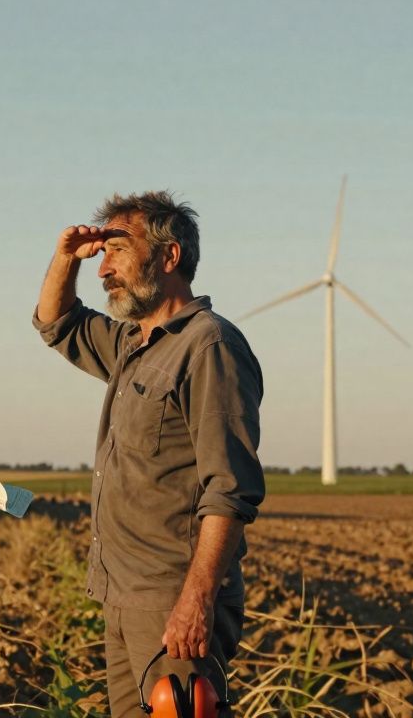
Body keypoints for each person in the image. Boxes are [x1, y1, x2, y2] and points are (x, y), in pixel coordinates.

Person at [32, 191, 264, 717]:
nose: (103, 268)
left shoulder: (210, 347)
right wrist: (67, 256)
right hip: (123, 596)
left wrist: (196, 600)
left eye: (117, 250)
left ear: (169, 256)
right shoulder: (132, 346)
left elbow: (229, 488)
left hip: (172, 603)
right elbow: (55, 323)